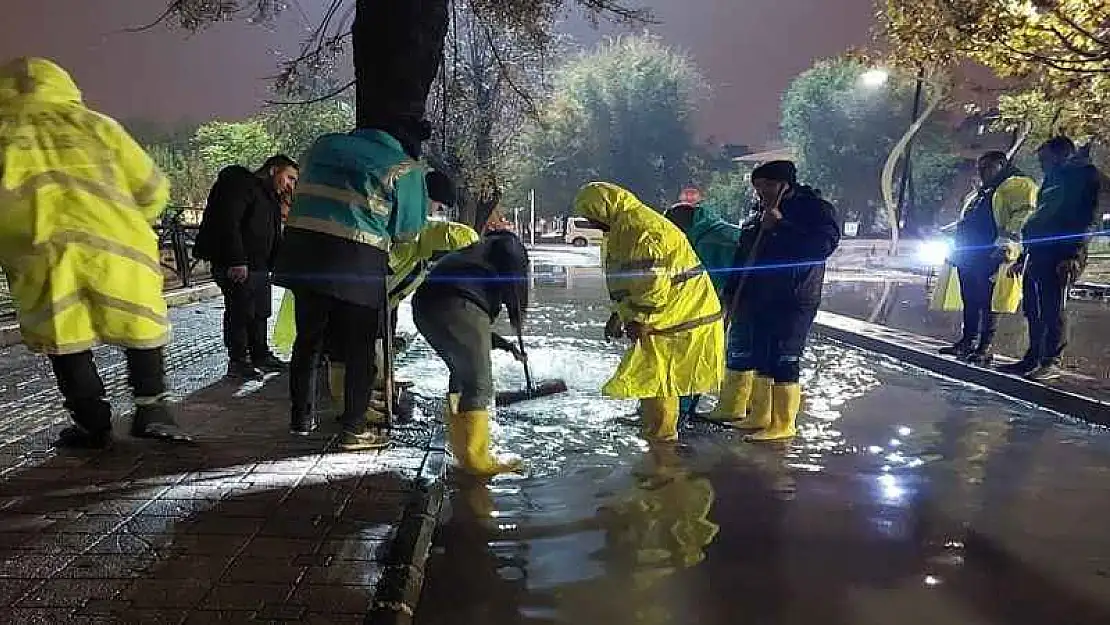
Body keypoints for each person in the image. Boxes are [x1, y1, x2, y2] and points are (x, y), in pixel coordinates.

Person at [0, 57, 191, 448]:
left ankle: (92, 420)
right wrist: (137, 221)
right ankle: (153, 410)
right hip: (118, 245)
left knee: (65, 339)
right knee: (141, 326)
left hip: (43, 253)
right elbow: (151, 187)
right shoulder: (98, 125)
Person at [273, 129, 429, 446]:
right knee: (360, 347)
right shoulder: (405, 168)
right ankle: (353, 430)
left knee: (308, 339)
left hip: (304, 252)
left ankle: (301, 419)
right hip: (357, 259)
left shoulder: (323, 144)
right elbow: (407, 231)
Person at [573, 182, 725, 443]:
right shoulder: (625, 226)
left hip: (679, 316)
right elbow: (628, 280)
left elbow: (652, 282)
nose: (593, 224)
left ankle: (663, 440)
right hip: (672, 314)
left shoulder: (638, 229)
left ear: (604, 209)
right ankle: (658, 434)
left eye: (592, 217)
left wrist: (640, 319)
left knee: (660, 380)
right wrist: (620, 315)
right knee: (656, 378)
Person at [711, 161, 840, 441]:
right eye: (757, 187)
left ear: (785, 184)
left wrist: (782, 225)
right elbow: (745, 256)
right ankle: (759, 416)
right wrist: (732, 292)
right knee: (762, 355)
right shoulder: (759, 212)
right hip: (760, 296)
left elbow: (820, 248)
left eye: (767, 185)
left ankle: (783, 424)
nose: (761, 192)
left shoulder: (815, 210)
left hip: (794, 298)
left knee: (785, 357)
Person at [412, 230, 528, 476]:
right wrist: (518, 316)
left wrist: (506, 345)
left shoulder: (473, 256)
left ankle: (459, 450)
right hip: (458, 303)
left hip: (424, 307)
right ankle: (477, 462)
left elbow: (470, 332)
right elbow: (468, 318)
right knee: (479, 386)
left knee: (461, 371)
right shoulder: (510, 250)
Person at [998, 137, 1101, 381]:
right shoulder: (1054, 178)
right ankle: (1033, 357)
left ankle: (1050, 361)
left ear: (1060, 154)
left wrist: (1073, 255)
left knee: (1052, 308)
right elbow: (1040, 217)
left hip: (1061, 254)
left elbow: (1087, 218)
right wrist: (1024, 255)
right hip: (1038, 252)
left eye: (1044, 159)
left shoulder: (1083, 176)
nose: (1041, 164)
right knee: (1033, 308)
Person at [194, 155, 299, 379]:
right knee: (241, 311)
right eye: (289, 177)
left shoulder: (269, 195)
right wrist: (236, 260)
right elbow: (228, 222)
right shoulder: (239, 183)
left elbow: (273, 233)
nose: (290, 184)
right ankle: (238, 360)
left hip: (258, 265)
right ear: (273, 170)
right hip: (237, 264)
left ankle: (261, 354)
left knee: (260, 310)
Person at [939, 151, 1037, 364]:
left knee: (988, 301)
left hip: (990, 253)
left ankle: (984, 347)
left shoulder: (1018, 185)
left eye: (987, 168)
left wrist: (1004, 248)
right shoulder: (984, 191)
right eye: (980, 168)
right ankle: (967, 342)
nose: (982, 173)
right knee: (970, 299)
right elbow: (972, 217)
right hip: (969, 252)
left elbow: (1022, 218)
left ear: (1001, 165)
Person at [664, 202, 742, 417]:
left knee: (695, 353)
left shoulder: (713, 238)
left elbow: (715, 277)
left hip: (724, 300)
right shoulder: (707, 231)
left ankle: (684, 408)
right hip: (715, 300)